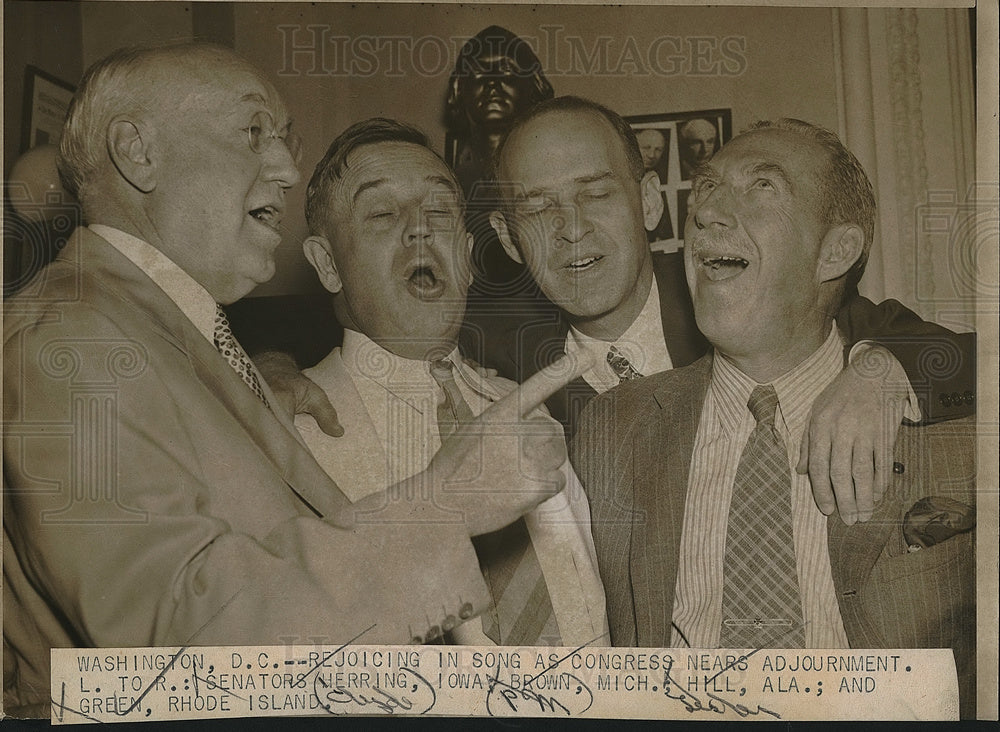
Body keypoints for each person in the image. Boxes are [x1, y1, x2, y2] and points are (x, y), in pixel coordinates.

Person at [1, 43, 579, 717]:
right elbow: (170, 649)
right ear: (138, 152)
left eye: (285, 139)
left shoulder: (169, 335)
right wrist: (442, 505)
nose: (285, 167)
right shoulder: (70, 339)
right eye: (254, 133)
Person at [570, 119, 976, 717]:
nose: (707, 214)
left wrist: (888, 370)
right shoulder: (612, 430)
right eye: (705, 188)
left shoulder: (948, 426)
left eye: (762, 188)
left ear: (835, 251)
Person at [478, 96, 975, 524]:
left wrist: (879, 371)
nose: (572, 228)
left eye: (597, 193)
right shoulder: (500, 370)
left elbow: (968, 360)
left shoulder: (743, 287)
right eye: (539, 208)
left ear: (650, 202)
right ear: (508, 238)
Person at [295, 118, 607, 648]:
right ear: (328, 265)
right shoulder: (289, 432)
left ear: (465, 258)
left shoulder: (527, 408)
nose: (419, 228)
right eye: (382, 212)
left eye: (438, 210)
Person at [445, 25, 555, 302]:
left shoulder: (559, 180)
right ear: (459, 89)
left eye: (506, 71)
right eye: (479, 72)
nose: (492, 83)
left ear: (533, 86)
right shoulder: (442, 190)